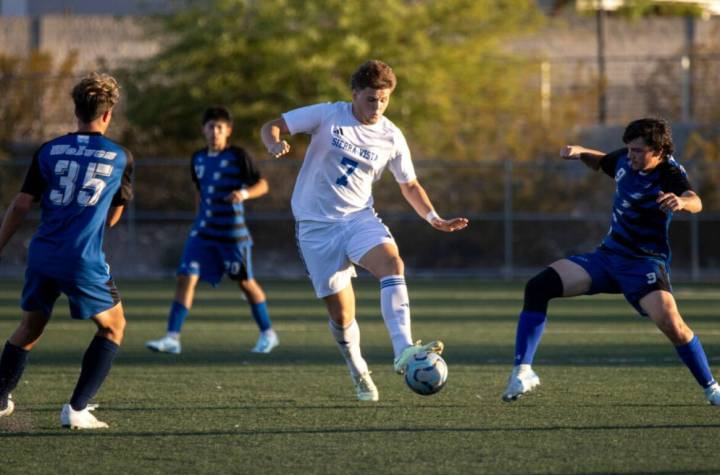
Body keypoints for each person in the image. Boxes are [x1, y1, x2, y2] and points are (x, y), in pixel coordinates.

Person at [260, 60, 468, 402]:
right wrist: (273, 143)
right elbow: (272, 126)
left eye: (384, 100)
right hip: (316, 228)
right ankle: (358, 369)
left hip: (359, 219)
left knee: (392, 264)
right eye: (371, 99)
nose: (378, 106)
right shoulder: (328, 115)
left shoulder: (391, 136)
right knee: (342, 316)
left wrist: (434, 218)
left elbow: (410, 185)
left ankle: (403, 349)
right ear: (355, 94)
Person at [502, 117, 720, 406]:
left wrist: (681, 203)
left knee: (673, 326)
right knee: (538, 287)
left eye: (638, 151)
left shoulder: (669, 172)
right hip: (607, 257)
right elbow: (602, 161)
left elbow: (695, 199)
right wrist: (579, 151)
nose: (631, 156)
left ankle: (712, 388)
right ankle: (523, 372)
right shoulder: (624, 160)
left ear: (660, 151)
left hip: (644, 264)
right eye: (629, 149)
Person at [0, 73, 134, 428]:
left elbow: (20, 206)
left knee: (29, 327)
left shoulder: (48, 150)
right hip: (81, 258)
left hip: (42, 254)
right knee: (114, 327)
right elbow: (115, 214)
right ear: (107, 115)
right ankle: (77, 409)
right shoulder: (119, 157)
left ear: (75, 110)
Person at [145, 106, 278, 355]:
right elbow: (200, 192)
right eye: (210, 127)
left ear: (228, 131)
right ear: (203, 130)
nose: (215, 132)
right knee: (185, 278)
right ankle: (172, 338)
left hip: (232, 236)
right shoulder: (197, 158)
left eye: (220, 127)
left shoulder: (238, 156)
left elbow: (263, 184)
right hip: (203, 234)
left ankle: (268, 334)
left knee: (246, 284)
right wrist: (198, 220)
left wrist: (244, 193)